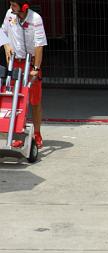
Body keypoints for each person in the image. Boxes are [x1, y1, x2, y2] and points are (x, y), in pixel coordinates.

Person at [1, 0, 47, 149]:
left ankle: (37, 134)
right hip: (15, 63)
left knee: (34, 100)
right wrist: (7, 46)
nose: (10, 7)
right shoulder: (10, 14)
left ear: (24, 7)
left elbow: (39, 44)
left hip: (31, 63)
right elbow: (3, 31)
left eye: (14, 5)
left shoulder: (35, 19)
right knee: (18, 100)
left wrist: (36, 67)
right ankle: (18, 134)